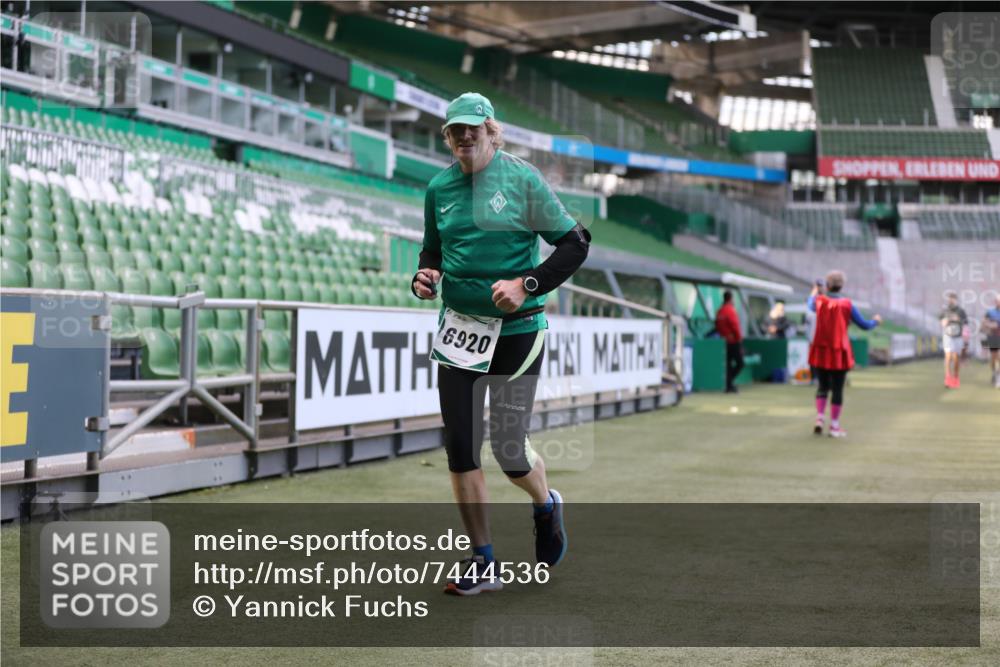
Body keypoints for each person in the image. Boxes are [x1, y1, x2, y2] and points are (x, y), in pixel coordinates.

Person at [411, 92, 590, 596]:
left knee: (509, 449)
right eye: (455, 130)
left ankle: (545, 504)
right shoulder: (438, 188)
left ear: (492, 130)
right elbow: (433, 250)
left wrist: (526, 285)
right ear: (447, 136)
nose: (464, 136)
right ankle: (483, 558)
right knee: (461, 446)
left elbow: (575, 243)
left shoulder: (522, 179)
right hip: (460, 335)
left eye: (474, 128)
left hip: (517, 333)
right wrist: (424, 276)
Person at [808, 271, 881, 438]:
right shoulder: (847, 304)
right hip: (839, 352)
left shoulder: (820, 301)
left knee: (822, 386)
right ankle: (834, 427)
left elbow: (809, 304)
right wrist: (876, 321)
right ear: (842, 286)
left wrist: (815, 291)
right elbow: (864, 325)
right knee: (838, 389)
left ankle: (819, 418)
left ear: (827, 285)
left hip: (821, 351)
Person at [715, 290, 744, 393]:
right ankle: (729, 383)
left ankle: (728, 385)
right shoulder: (730, 310)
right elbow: (735, 326)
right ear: (731, 299)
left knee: (727, 364)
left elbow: (717, 326)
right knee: (740, 363)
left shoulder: (719, 311)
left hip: (724, 342)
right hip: (733, 341)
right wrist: (739, 339)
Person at [939, 291, 969, 389]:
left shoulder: (961, 311)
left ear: (955, 300)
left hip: (958, 336)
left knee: (956, 357)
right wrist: (945, 321)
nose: (951, 300)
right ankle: (947, 378)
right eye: (949, 298)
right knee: (948, 356)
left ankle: (955, 377)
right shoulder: (945, 310)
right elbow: (941, 322)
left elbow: (965, 323)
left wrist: (958, 320)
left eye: (953, 298)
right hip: (948, 335)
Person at [983, 293, 1000, 389]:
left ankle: (998, 377)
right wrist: (989, 325)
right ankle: (994, 373)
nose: (998, 302)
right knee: (993, 357)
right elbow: (984, 322)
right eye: (997, 301)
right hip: (992, 337)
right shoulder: (990, 312)